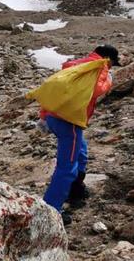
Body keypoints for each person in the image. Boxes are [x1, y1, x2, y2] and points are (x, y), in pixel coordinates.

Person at [38, 45, 118, 224]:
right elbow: (96, 90)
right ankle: (51, 211)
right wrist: (108, 80)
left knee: (81, 152)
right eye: (112, 64)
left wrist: (44, 115)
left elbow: (56, 90)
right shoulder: (99, 66)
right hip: (69, 122)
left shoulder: (76, 64)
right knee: (67, 167)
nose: (111, 67)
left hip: (54, 117)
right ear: (108, 59)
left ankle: (76, 190)